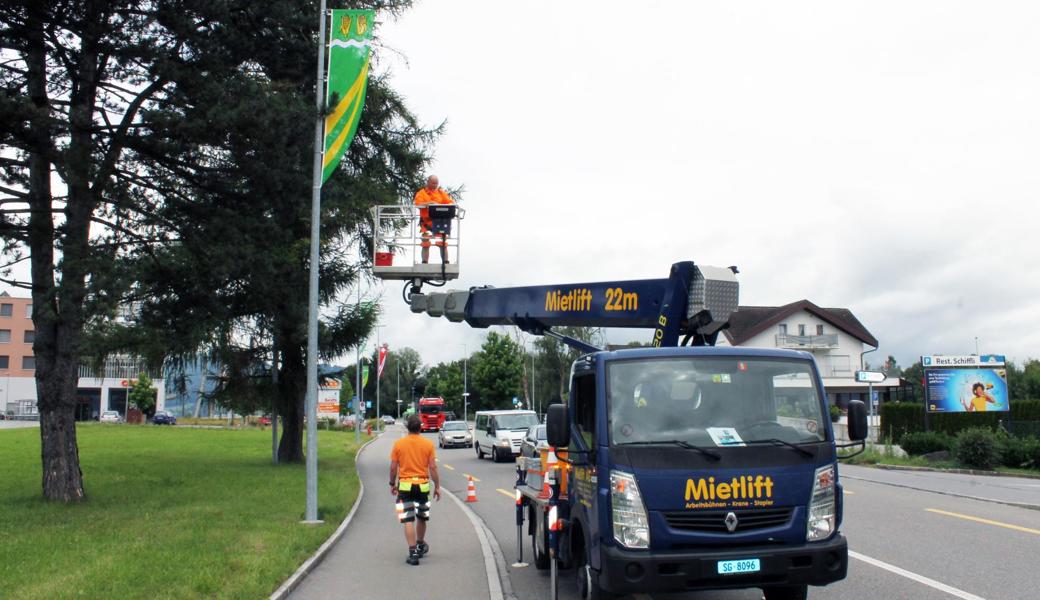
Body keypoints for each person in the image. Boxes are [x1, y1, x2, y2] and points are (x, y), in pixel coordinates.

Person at [390, 413, 441, 565]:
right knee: (422, 517)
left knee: (408, 520)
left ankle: (413, 554)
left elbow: (393, 467)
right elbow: (432, 467)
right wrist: (437, 486)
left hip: (404, 487)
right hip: (423, 487)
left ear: (407, 428)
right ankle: (420, 544)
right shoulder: (428, 444)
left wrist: (392, 484)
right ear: (420, 427)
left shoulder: (399, 444)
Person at [413, 175, 454, 264]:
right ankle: (424, 262)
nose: (435, 185)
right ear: (428, 182)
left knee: (442, 241)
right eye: (433, 183)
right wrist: (429, 203)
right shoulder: (421, 193)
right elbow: (417, 204)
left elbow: (450, 203)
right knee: (425, 241)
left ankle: (445, 262)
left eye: (436, 183)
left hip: (439, 221)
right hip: (426, 222)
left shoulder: (441, 193)